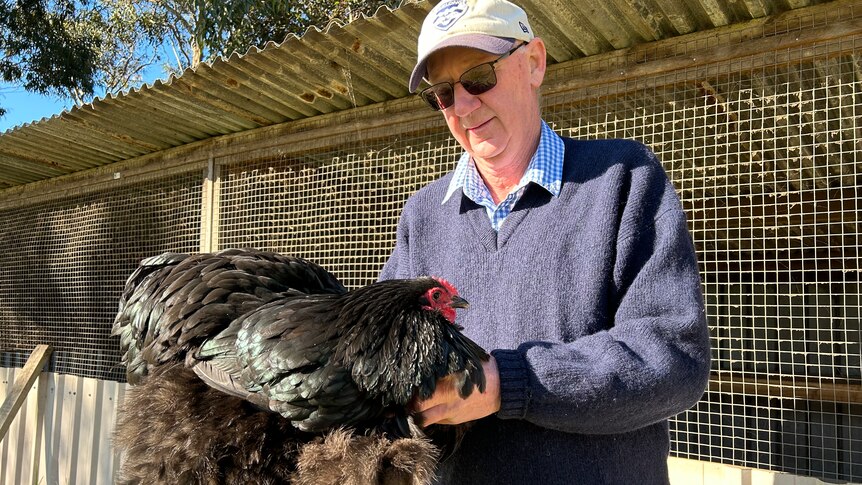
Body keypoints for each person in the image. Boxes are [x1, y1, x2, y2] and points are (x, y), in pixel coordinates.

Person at [378, 0, 712, 483]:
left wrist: (504, 383)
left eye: (478, 77)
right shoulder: (424, 215)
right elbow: (386, 354)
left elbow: (673, 359)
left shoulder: (622, 180)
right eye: (445, 95)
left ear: (534, 62)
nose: (464, 106)